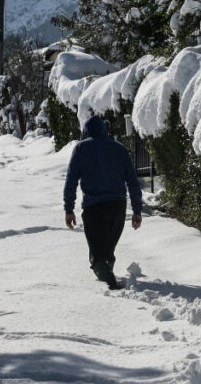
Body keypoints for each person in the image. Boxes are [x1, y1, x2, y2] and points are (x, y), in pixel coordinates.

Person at [64, 116, 143, 289]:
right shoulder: (120, 149)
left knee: (98, 256)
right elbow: (133, 182)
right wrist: (137, 210)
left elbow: (71, 181)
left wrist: (69, 209)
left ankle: (110, 285)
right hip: (118, 207)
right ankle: (108, 274)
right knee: (107, 250)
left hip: (94, 208)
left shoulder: (81, 149)